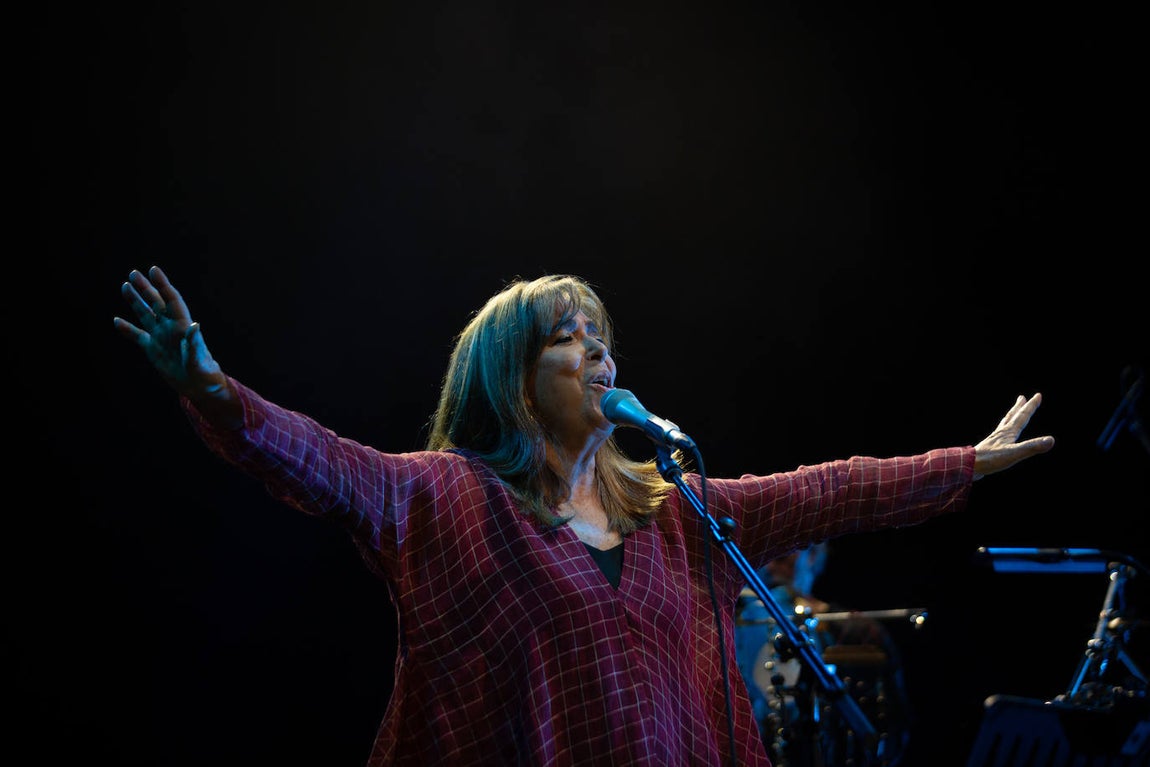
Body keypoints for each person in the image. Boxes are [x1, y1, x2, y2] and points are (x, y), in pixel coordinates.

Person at [113, 265, 1054, 767]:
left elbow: (828, 489)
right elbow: (318, 458)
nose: (598, 355)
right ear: (513, 380)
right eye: (568, 339)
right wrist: (210, 387)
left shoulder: (675, 511)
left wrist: (966, 462)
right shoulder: (446, 496)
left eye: (601, 340)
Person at [735, 545, 913, 766]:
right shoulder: (729, 626)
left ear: (813, 556)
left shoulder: (856, 632)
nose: (770, 567)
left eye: (782, 557)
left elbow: (890, 731)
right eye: (763, 557)